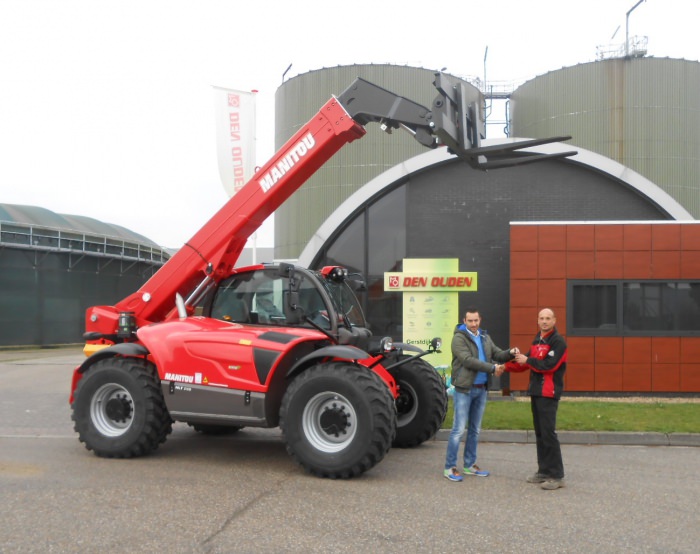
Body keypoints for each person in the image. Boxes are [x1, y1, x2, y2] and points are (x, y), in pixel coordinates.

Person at [443, 308, 517, 482]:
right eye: (470, 321)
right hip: (465, 389)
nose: (474, 324)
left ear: (480, 320)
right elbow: (468, 360)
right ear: (464, 321)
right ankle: (449, 467)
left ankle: (469, 465)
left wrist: (510, 353)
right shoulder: (458, 338)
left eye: (476, 320)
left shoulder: (484, 337)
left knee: (475, 430)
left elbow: (497, 353)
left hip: (481, 388)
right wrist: (492, 368)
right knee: (458, 430)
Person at [510, 308, 568, 490]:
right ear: (538, 320)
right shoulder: (538, 340)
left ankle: (557, 476)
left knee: (549, 433)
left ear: (554, 320)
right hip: (536, 392)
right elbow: (526, 363)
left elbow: (549, 366)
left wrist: (527, 360)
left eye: (548, 318)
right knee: (540, 433)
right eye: (542, 318)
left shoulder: (558, 342)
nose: (544, 321)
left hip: (548, 393)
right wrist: (504, 366)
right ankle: (543, 471)